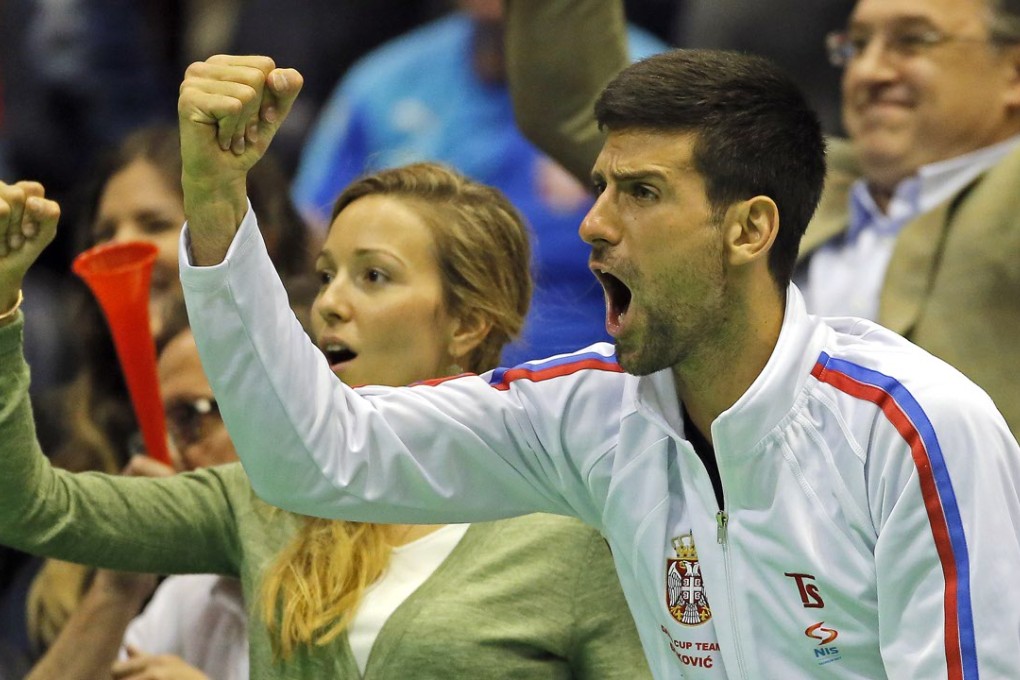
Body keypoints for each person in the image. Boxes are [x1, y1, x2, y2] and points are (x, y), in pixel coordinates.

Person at [175, 51, 1020, 678]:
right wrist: (218, 205)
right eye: (601, 186)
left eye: (642, 194)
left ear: (750, 229)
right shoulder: (592, 412)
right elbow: (316, 458)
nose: (594, 224)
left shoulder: (911, 428)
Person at [0, 169, 651, 677]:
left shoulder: (575, 529)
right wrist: (3, 311)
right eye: (326, 275)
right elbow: (32, 508)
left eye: (373, 276)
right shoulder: (263, 495)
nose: (331, 304)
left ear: (466, 323)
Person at [506, 0, 1020, 443]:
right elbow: (577, 102)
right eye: (855, 47)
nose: (868, 72)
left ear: (1013, 71)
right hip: (752, 524)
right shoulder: (802, 177)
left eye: (912, 43)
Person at [20, 124, 315, 657]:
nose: (119, 246)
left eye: (153, 223)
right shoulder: (71, 436)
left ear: (249, 236)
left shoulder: (326, 407)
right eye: (104, 231)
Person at [291, 0, 664, 364]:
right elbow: (311, 239)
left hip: (602, 382)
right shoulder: (383, 83)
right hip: (419, 385)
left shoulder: (649, 88)